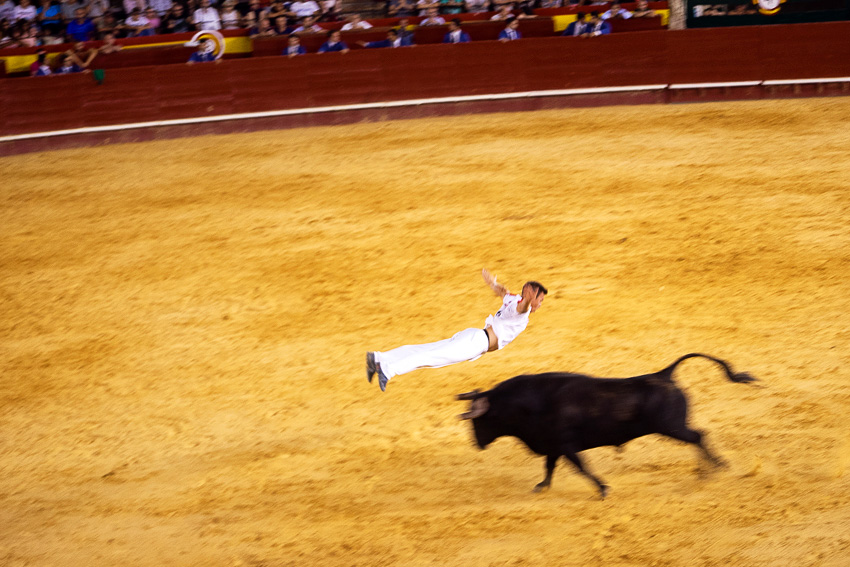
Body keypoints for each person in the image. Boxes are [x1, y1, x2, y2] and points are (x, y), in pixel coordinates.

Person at [366, 270, 548, 391]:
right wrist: (527, 299)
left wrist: (493, 283)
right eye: (539, 299)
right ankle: (388, 370)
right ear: (529, 294)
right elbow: (523, 306)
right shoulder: (522, 310)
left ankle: (378, 358)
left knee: (424, 350)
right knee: (429, 357)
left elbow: (503, 291)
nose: (539, 304)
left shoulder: (514, 299)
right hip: (476, 342)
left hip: (474, 336)